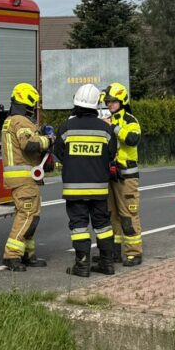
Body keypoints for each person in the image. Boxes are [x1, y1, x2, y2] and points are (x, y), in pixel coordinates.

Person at [54, 83, 118, 277]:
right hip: (99, 189)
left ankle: (82, 266)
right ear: (96, 105)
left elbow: (58, 154)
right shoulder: (105, 129)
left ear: (76, 103)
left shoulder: (66, 128)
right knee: (103, 225)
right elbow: (111, 155)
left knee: (79, 226)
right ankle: (107, 264)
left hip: (74, 190)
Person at [0, 83, 53, 271]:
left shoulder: (10, 121)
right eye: (33, 104)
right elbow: (28, 144)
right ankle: (12, 256)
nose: (34, 109)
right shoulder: (21, 121)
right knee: (27, 215)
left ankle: (27, 254)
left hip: (23, 179)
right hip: (24, 179)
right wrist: (49, 140)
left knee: (31, 216)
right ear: (27, 102)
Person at [103, 82, 143, 266]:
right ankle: (114, 253)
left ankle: (134, 253)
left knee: (128, 216)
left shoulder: (130, 120)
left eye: (112, 101)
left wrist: (114, 128)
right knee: (113, 216)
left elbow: (133, 139)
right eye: (107, 101)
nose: (109, 104)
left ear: (122, 101)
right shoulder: (107, 120)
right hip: (111, 175)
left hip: (127, 176)